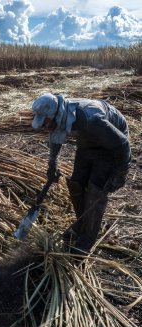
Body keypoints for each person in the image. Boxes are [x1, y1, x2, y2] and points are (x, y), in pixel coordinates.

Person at [31, 93, 131, 255]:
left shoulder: (90, 120)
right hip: (88, 141)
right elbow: (55, 136)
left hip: (110, 145)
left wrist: (121, 172)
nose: (44, 127)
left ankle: (88, 239)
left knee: (95, 189)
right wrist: (52, 163)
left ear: (55, 115)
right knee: (76, 183)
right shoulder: (60, 117)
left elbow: (122, 143)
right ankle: (82, 223)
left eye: (45, 123)